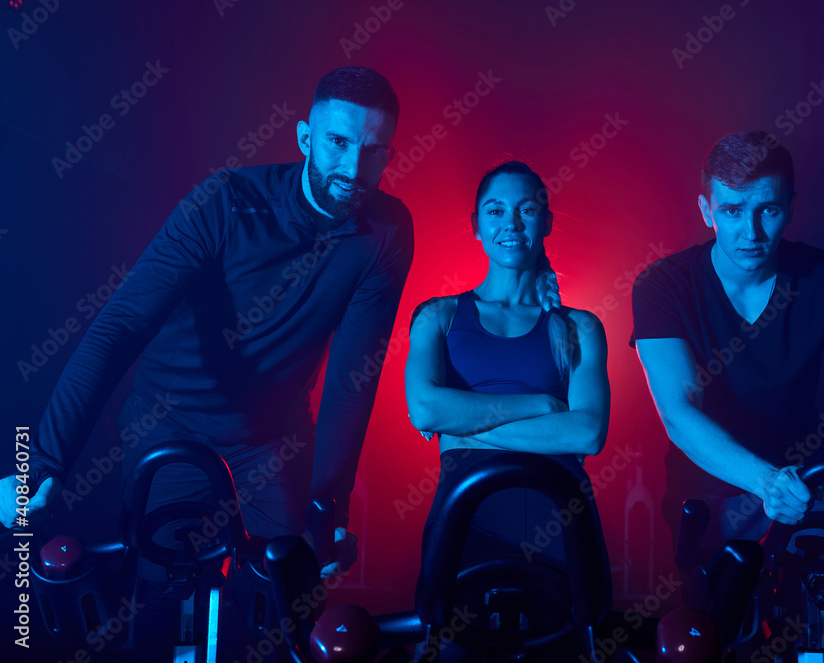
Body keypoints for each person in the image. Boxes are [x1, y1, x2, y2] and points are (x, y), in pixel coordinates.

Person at [1, 66, 411, 611]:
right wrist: (39, 468)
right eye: (337, 143)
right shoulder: (224, 201)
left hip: (271, 438)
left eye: (372, 150)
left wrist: (328, 509)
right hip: (173, 423)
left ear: (387, 154)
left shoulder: (387, 231)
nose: (352, 168)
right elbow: (119, 327)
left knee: (290, 596)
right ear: (305, 138)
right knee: (164, 599)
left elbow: (351, 382)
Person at [631, 131, 824, 659]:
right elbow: (678, 409)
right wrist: (764, 481)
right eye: (733, 211)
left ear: (791, 208)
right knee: (719, 632)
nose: (750, 231)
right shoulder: (663, 284)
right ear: (706, 210)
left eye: (768, 211)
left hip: (811, 483)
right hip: (710, 490)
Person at [405, 160, 611, 661]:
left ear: (546, 221)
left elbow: (586, 433)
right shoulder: (439, 315)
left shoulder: (580, 327)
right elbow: (425, 408)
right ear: (477, 226)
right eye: (496, 211)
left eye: (526, 210)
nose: (511, 224)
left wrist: (467, 430)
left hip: (564, 522)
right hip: (466, 519)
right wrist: (539, 407)